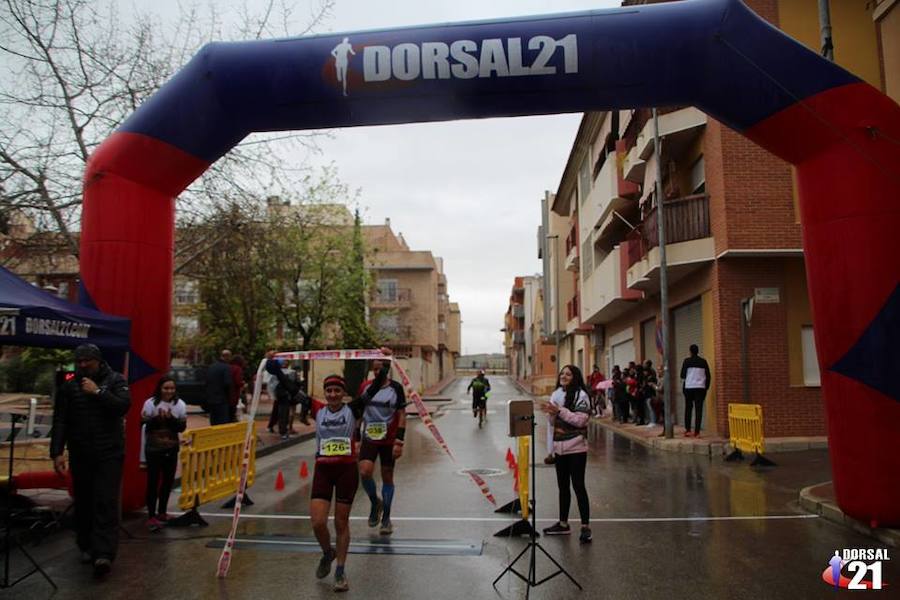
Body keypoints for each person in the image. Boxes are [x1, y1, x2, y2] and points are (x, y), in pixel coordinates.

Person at [300, 349, 392, 593]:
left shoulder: (352, 409)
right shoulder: (317, 409)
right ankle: (327, 552)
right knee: (318, 522)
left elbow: (373, 388)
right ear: (324, 393)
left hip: (345, 472)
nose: (332, 395)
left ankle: (340, 572)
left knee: (341, 523)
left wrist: (384, 363)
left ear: (344, 394)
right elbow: (290, 389)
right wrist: (273, 363)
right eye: (328, 391)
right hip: (323, 471)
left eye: (337, 391)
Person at [50, 343, 131, 578]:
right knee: (84, 501)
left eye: (88, 361)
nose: (83, 365)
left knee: (105, 501)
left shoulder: (116, 381)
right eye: (80, 361)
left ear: (98, 361)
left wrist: (98, 392)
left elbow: (123, 406)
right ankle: (86, 544)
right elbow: (61, 421)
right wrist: (57, 452)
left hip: (109, 453)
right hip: (81, 452)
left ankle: (104, 553)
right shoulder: (69, 388)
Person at [541, 364, 592, 543]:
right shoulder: (556, 394)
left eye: (568, 374)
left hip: (576, 448)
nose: (564, 376)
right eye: (562, 373)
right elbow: (551, 424)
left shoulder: (582, 395)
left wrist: (559, 411)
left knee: (578, 486)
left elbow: (580, 420)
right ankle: (563, 524)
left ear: (575, 377)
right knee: (563, 488)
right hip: (559, 448)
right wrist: (550, 414)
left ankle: (585, 527)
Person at [357, 357, 407, 535]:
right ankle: (375, 502)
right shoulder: (365, 387)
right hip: (369, 437)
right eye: (374, 369)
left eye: (380, 369)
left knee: (387, 477)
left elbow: (402, 415)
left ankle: (386, 517)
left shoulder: (396, 388)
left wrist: (399, 442)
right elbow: (359, 412)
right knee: (364, 471)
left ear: (386, 369)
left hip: (389, 439)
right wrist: (356, 438)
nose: (377, 372)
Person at [141, 375, 187, 530]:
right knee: (153, 481)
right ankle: (151, 515)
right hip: (153, 448)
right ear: (160, 389)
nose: (169, 391)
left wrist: (171, 420)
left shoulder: (180, 404)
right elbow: (144, 424)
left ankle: (162, 512)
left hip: (171, 447)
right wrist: (157, 419)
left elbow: (181, 427)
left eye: (172, 388)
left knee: (168, 481)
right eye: (166, 388)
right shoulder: (150, 403)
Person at [680, 344, 711, 437]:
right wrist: (706, 387)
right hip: (700, 388)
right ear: (698, 351)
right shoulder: (703, 362)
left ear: (690, 351)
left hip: (689, 388)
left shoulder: (687, 361)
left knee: (688, 408)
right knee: (699, 409)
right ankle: (697, 432)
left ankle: (688, 429)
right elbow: (708, 376)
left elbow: (682, 375)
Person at [205, 349, 232, 426]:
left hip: (211, 398)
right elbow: (227, 383)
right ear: (227, 356)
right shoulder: (226, 367)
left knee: (214, 420)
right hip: (222, 399)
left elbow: (207, 381)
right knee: (222, 421)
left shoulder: (211, 366)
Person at [228, 353, 247, 423]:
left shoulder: (229, 367)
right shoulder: (238, 369)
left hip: (228, 393)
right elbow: (238, 381)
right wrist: (243, 384)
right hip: (234, 393)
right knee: (233, 411)